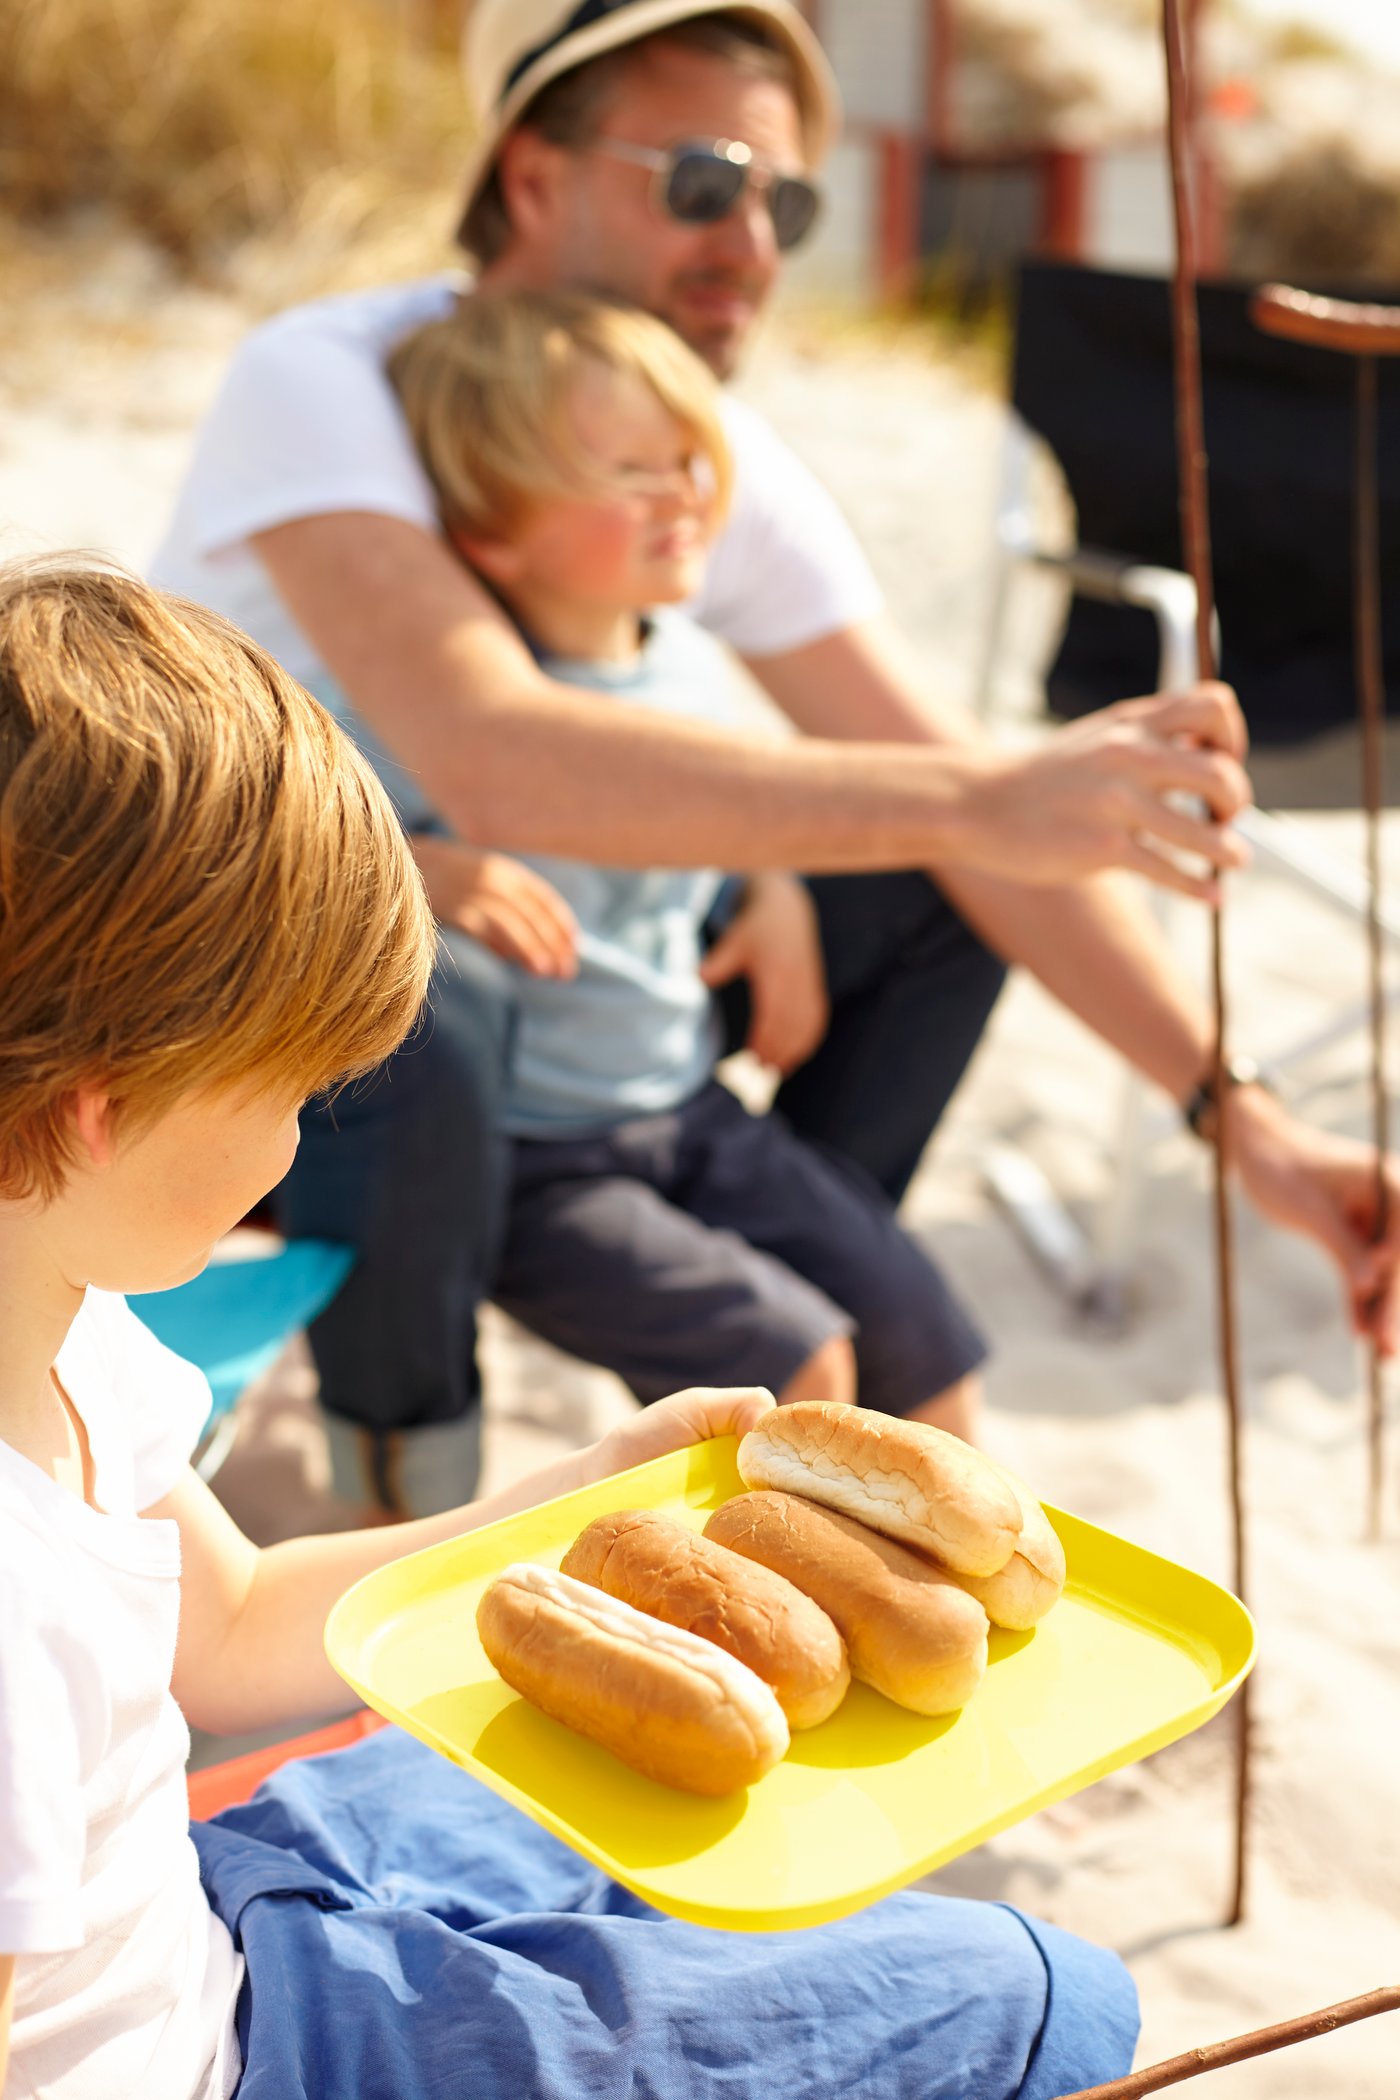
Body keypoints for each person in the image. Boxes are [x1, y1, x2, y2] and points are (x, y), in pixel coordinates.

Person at [151, 0, 1399, 1519]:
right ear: (531, 178)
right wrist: (982, 796)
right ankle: (401, 1471)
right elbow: (498, 754)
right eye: (699, 178)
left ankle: (765, 1284)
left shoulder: (687, 463)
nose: (752, 234)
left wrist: (1243, 1116)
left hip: (582, 1022)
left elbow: (943, 789)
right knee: (438, 971)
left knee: (941, 878)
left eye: (786, 198)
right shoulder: (333, 380)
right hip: (262, 1035)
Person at [0, 557, 1139, 2100]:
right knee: (1042, 1997)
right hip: (241, 2059)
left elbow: (230, 1625)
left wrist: (595, 1485)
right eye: (282, 1096)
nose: (293, 1144)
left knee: (615, 1781)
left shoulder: (63, 1306)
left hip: (213, 1905)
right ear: (96, 1113)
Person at [373, 285, 990, 1434]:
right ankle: (758, 1611)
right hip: (533, 1164)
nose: (683, 496)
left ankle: (967, 1599)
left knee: (920, 1329)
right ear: (489, 526)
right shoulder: (442, 697)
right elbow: (305, 838)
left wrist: (768, 887)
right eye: (629, 473)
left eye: (689, 460)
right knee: (790, 1368)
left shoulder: (691, 671)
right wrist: (419, 871)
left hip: (688, 1112)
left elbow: (728, 797)